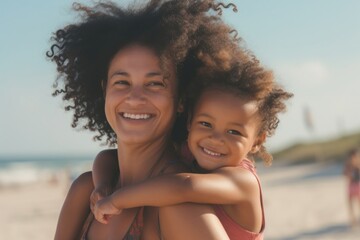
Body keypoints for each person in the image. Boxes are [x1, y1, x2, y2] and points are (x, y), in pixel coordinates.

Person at [48, 0, 245, 239]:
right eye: (122, 82)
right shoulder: (86, 189)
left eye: (155, 83)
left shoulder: (178, 206)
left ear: (181, 99)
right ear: (104, 91)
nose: (135, 97)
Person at [91, 63, 293, 239]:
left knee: (174, 203)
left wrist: (118, 200)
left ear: (257, 141)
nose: (215, 138)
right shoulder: (189, 153)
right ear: (189, 121)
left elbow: (184, 186)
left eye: (233, 132)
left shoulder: (243, 181)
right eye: (205, 124)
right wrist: (101, 185)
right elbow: (109, 157)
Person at [343, 148, 360, 227]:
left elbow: (345, 174)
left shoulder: (355, 165)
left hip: (355, 186)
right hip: (352, 186)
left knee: (355, 204)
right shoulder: (349, 165)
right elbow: (345, 174)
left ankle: (354, 220)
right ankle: (353, 220)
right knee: (351, 204)